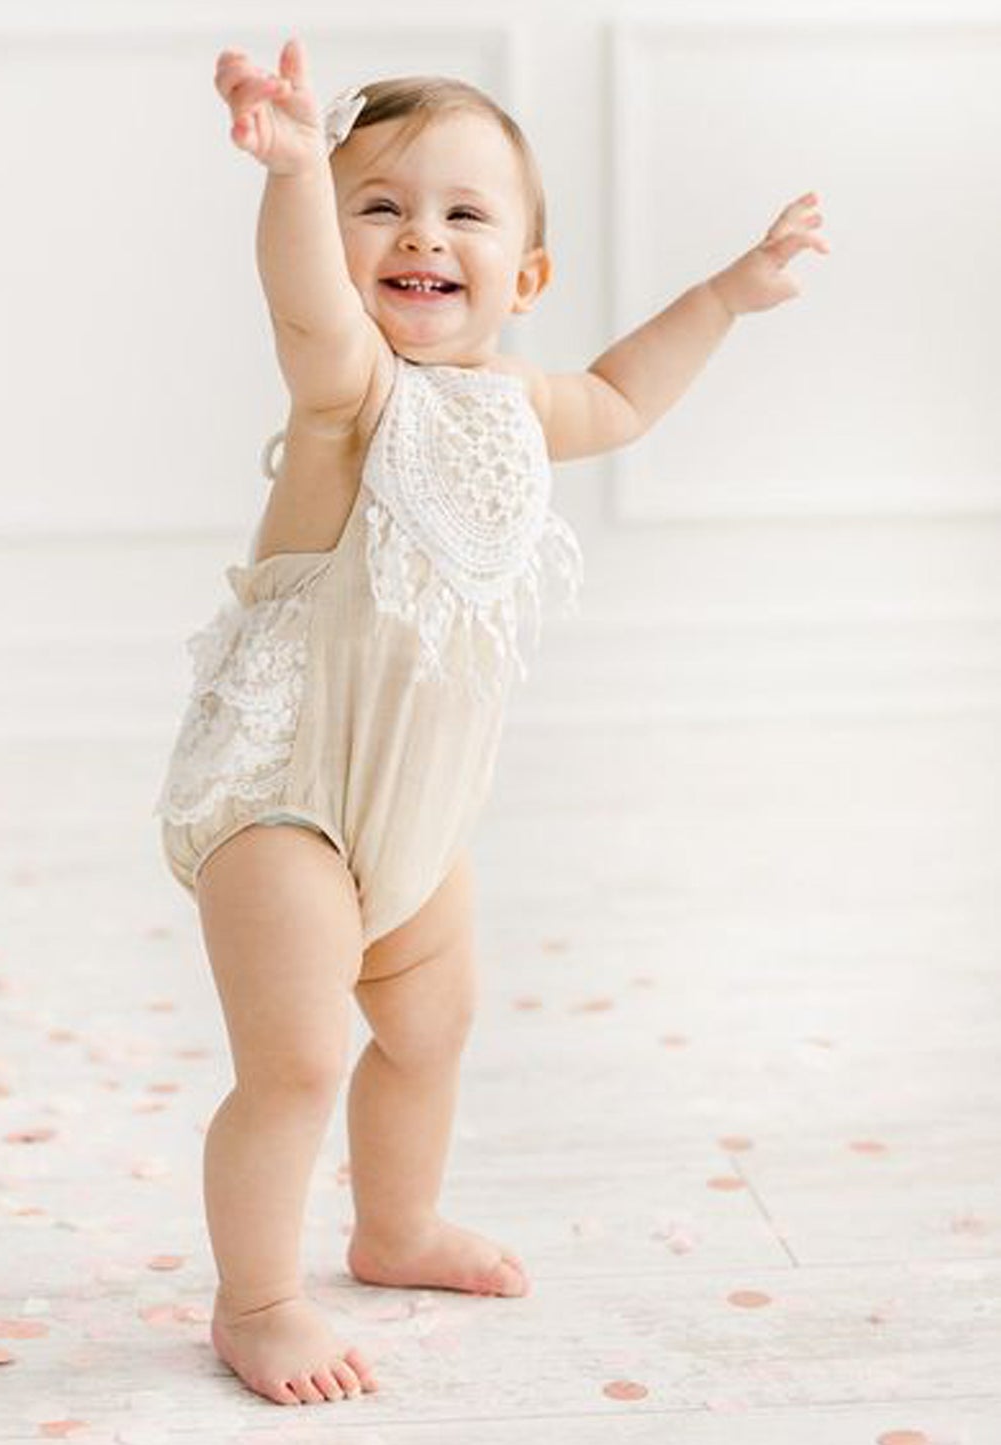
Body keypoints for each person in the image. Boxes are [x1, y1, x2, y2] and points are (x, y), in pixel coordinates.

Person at [151, 34, 829, 1408]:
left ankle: (392, 1227)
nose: (421, 234)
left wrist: (725, 294)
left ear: (521, 276)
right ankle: (258, 1298)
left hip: (418, 818)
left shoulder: (516, 405)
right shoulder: (348, 395)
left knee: (430, 1028)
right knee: (294, 1060)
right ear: (341, 250)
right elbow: (305, 309)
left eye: (464, 213)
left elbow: (628, 394)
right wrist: (288, 175)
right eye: (380, 204)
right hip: (283, 794)